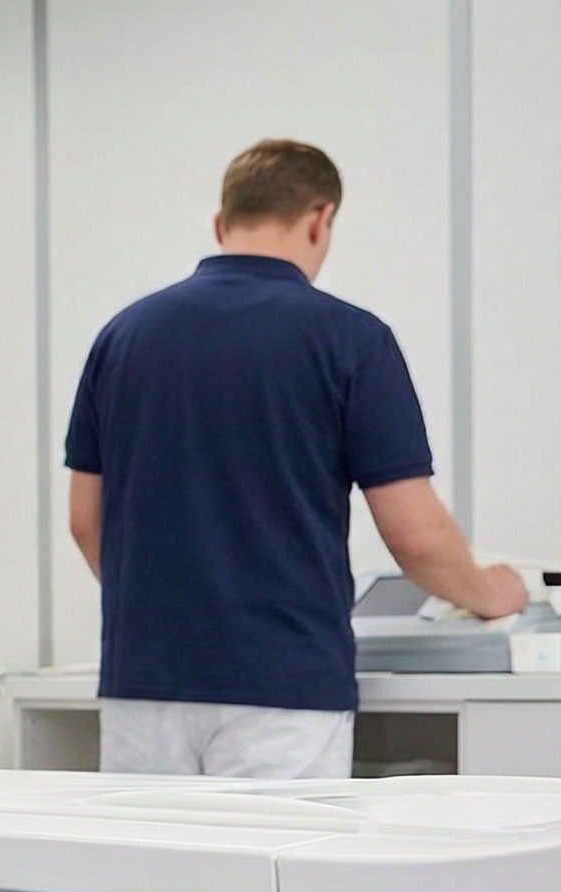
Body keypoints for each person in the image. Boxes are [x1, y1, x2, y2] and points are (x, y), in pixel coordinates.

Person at [65, 138, 526, 778]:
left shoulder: (121, 336)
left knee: (153, 875)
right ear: (320, 218)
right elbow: (415, 537)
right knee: (275, 874)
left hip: (142, 684)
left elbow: (87, 521)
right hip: (281, 692)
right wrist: (490, 592)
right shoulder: (351, 339)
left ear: (222, 224)